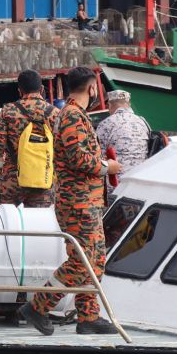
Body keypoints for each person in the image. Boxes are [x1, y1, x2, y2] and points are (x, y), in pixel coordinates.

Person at [18, 66, 121, 336]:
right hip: (78, 203)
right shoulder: (73, 116)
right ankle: (38, 306)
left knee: (95, 260)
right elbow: (78, 158)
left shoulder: (76, 115)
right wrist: (106, 167)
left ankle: (88, 316)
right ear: (92, 88)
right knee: (82, 260)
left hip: (88, 201)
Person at [0, 69, 60, 208]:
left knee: (3, 221)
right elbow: (62, 151)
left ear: (19, 90)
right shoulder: (55, 113)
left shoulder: (9, 111)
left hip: (13, 179)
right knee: (39, 223)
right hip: (44, 180)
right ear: (41, 89)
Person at [95, 89, 150, 187]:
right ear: (128, 104)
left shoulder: (105, 124)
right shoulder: (143, 123)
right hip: (141, 183)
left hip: (116, 186)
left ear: (110, 105)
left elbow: (98, 157)